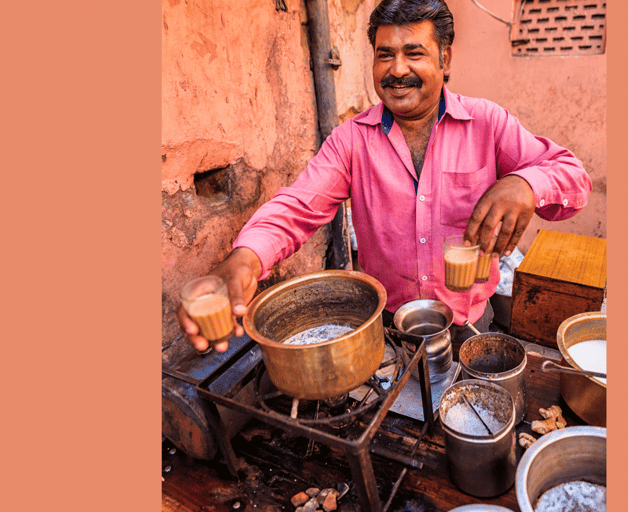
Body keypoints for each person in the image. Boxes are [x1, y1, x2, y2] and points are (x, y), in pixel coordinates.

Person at [177, 0, 592, 354]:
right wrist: (245, 258)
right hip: (387, 327)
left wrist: (525, 184)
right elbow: (297, 207)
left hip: (469, 326)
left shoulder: (487, 123)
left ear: (445, 59)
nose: (397, 70)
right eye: (383, 54)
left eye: (414, 53)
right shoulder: (351, 141)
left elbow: (573, 178)